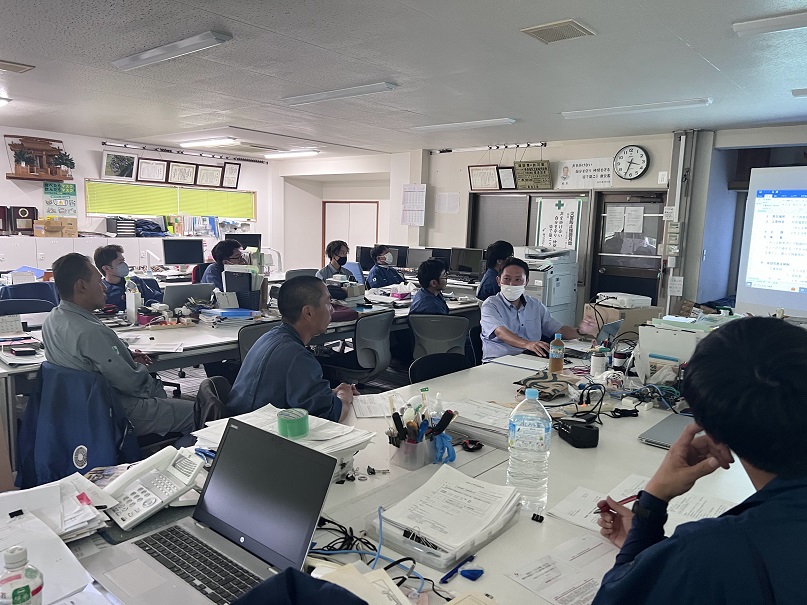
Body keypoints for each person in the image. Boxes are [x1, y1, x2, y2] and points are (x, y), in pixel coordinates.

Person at [593, 317, 807, 604]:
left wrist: (652, 503)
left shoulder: (714, 550)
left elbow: (616, 597)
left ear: (713, 434)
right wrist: (655, 555)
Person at [42, 253, 194, 436]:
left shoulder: (53, 319)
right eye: (98, 282)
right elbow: (131, 384)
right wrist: (136, 367)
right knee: (199, 412)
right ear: (82, 286)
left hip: (81, 410)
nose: (104, 288)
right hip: (118, 411)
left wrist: (125, 357)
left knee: (165, 397)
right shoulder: (89, 331)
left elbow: (93, 359)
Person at [227, 276, 357, 422]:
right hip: (257, 429)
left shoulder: (271, 337)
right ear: (308, 312)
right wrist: (344, 397)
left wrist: (332, 393)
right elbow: (330, 415)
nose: (332, 310)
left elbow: (302, 394)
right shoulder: (298, 357)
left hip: (240, 421)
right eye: (328, 303)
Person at [480, 257, 596, 362]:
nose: (512, 284)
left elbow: (558, 330)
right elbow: (500, 332)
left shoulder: (535, 305)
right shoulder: (490, 305)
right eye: (507, 279)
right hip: (498, 362)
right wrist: (528, 344)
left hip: (531, 359)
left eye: (518, 279)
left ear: (526, 282)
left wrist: (580, 331)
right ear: (498, 281)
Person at [93, 244, 162, 311]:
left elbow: (157, 298)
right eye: (120, 263)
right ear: (107, 268)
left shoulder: (136, 282)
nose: (125, 265)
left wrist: (146, 306)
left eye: (123, 261)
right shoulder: (102, 290)